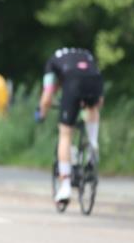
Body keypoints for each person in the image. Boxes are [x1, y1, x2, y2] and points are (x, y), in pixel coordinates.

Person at [35, 47, 104, 205]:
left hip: (73, 82)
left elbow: (46, 98)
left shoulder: (52, 63)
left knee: (65, 134)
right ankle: (93, 143)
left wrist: (41, 114)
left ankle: (65, 186)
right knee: (92, 107)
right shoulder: (86, 55)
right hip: (95, 80)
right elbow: (100, 101)